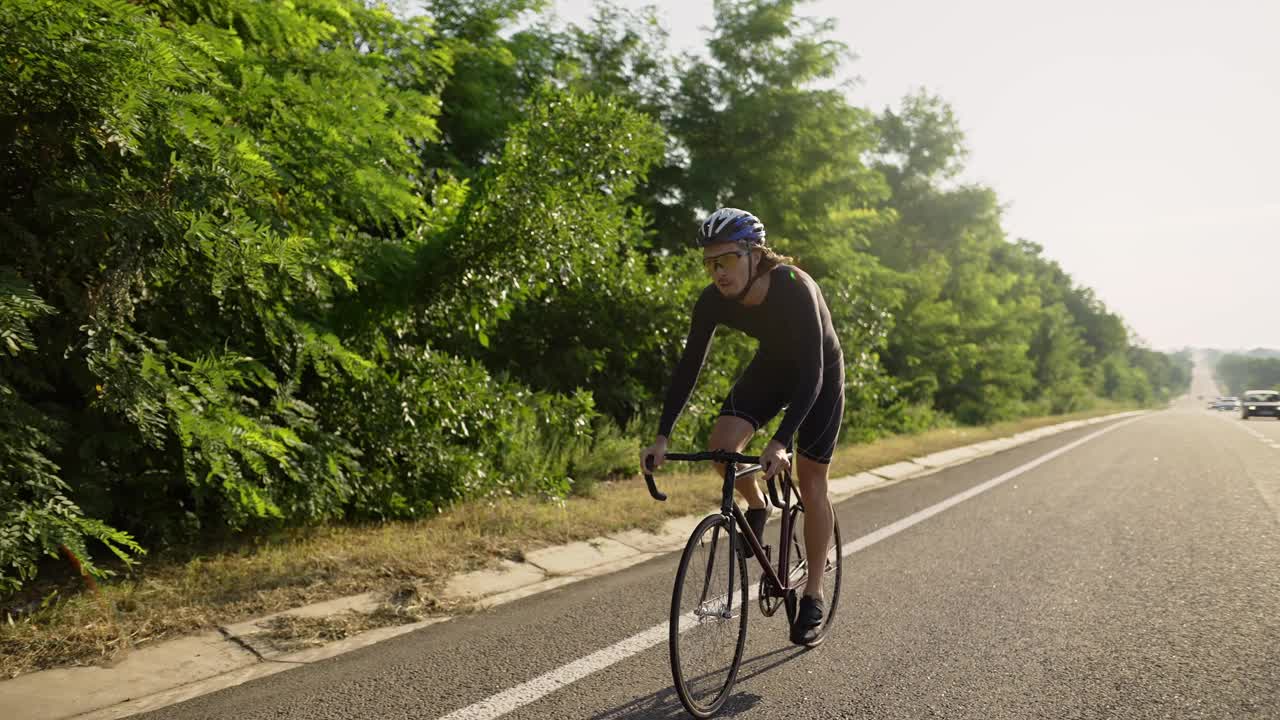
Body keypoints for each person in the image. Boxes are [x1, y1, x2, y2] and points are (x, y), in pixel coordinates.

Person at [640, 207, 845, 646]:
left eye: (726, 259)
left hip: (820, 375)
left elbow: (813, 373)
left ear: (753, 253)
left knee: (811, 485)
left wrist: (780, 441)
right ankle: (757, 504)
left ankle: (813, 593)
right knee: (722, 447)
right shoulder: (713, 300)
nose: (717, 272)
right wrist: (661, 436)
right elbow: (688, 367)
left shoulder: (794, 286)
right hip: (773, 368)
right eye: (709, 263)